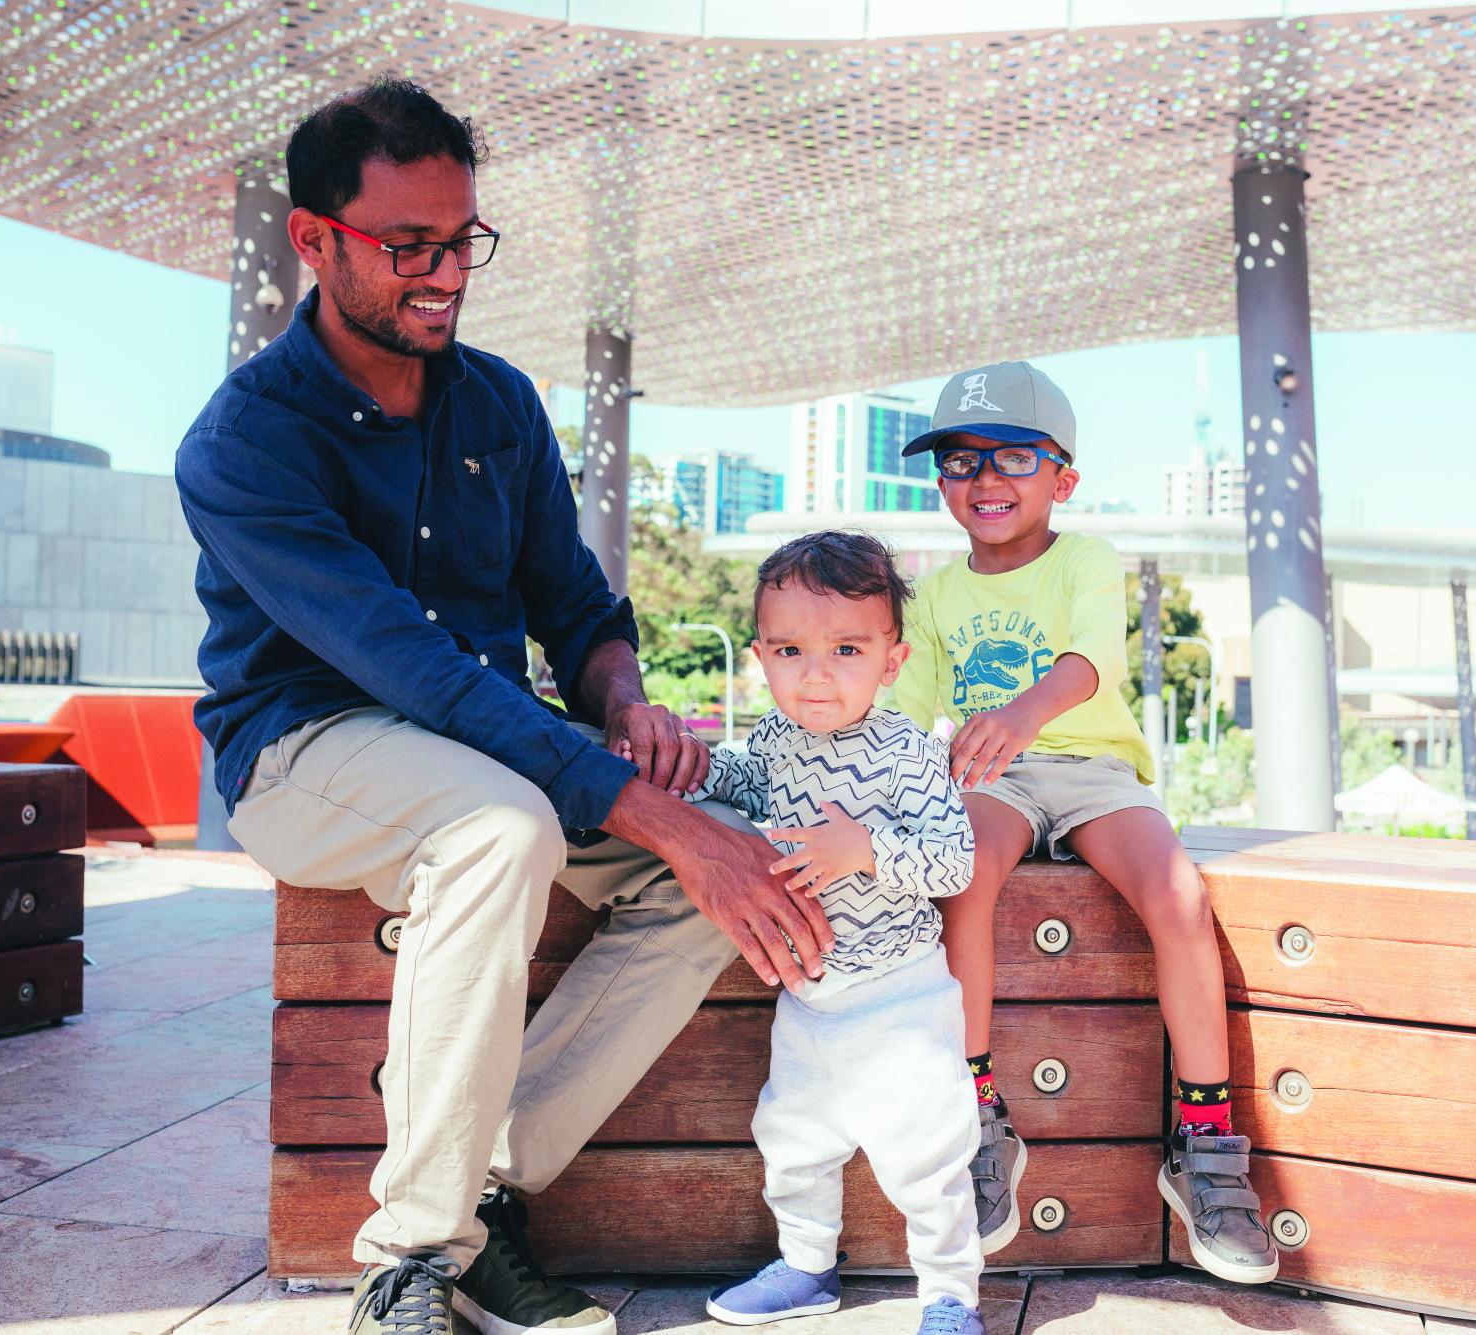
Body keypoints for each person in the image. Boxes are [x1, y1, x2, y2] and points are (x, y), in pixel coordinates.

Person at [175, 78, 832, 1335]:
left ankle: (474, 1189)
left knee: (720, 873)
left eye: (460, 241)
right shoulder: (243, 441)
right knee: (500, 830)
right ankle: (410, 1258)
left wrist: (624, 700)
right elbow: (407, 666)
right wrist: (639, 805)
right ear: (314, 239)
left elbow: (573, 605)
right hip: (306, 747)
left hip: (486, 742)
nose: (442, 275)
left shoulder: (499, 404)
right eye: (407, 245)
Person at [890, 361, 1279, 1284]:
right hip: (995, 778)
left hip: (1095, 770)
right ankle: (977, 1112)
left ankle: (1205, 1138)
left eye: (1014, 456)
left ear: (1062, 479)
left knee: (1178, 893)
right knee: (962, 872)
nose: (986, 477)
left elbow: (1089, 658)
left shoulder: (1085, 561)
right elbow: (903, 712)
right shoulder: (934, 596)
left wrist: (1021, 713)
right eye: (960, 459)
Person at [686, 532, 987, 1335]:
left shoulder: (908, 753)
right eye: (791, 650)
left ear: (892, 661)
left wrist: (866, 848)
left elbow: (954, 862)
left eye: (847, 649)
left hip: (901, 993)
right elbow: (743, 779)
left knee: (927, 1152)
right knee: (792, 1137)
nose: (816, 673)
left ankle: (950, 1292)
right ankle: (807, 1265)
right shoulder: (775, 739)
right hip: (810, 994)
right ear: (760, 657)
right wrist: (690, 766)